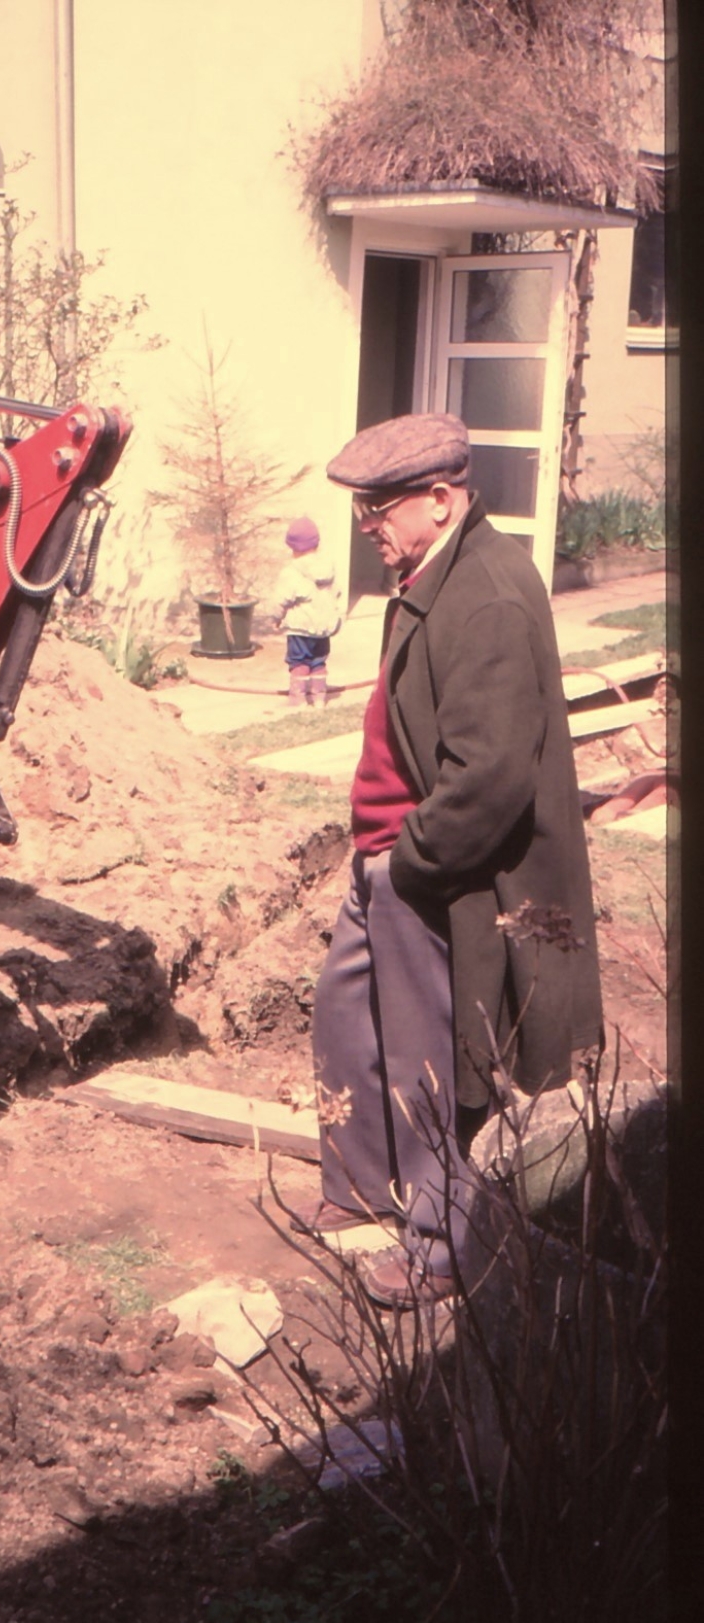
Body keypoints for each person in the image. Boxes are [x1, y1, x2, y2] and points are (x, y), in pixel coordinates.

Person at [300, 412, 603, 1308]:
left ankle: (441, 1242)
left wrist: (413, 862)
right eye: (362, 512)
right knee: (346, 1014)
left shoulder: (489, 597)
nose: (369, 529)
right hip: (387, 850)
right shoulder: (433, 568)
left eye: (379, 509)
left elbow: (491, 777)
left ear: (441, 498)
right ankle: (361, 1182)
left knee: (433, 1057)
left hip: (435, 867)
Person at [273, 517, 343, 706]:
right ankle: (319, 697)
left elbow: (281, 599)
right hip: (323, 627)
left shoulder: (291, 572)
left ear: (293, 547)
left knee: (299, 662)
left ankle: (298, 699)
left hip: (300, 628)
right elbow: (337, 592)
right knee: (319, 661)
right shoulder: (327, 568)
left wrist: (275, 618)